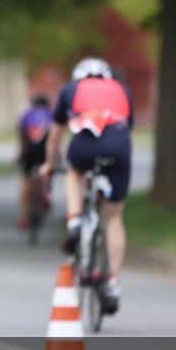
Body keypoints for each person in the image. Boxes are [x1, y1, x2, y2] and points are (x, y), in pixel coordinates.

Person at [40, 57, 133, 314]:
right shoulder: (122, 90)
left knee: (74, 172)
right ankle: (112, 283)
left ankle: (74, 220)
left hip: (85, 144)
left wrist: (49, 164)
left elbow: (55, 135)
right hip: (119, 146)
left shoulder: (70, 90)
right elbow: (128, 129)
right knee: (114, 217)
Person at [17, 93, 53, 230]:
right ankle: (46, 195)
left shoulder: (27, 114)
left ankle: (24, 217)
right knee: (46, 176)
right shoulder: (51, 114)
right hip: (45, 151)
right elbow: (55, 137)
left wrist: (20, 153)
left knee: (26, 182)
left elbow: (21, 135)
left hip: (29, 152)